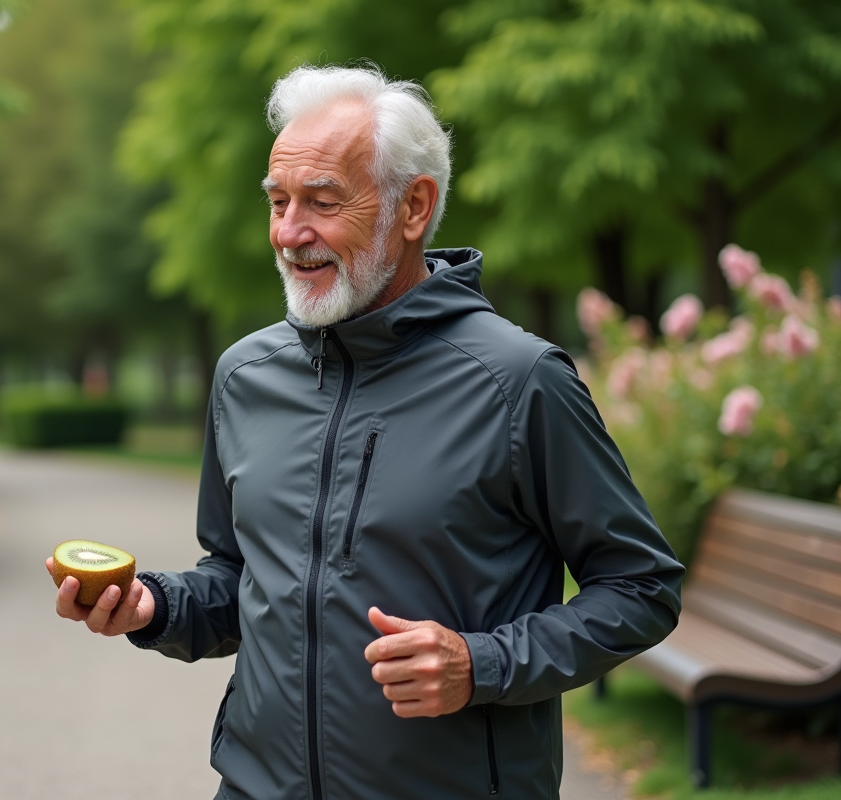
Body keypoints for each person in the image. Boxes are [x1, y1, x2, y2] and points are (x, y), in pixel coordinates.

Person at [48, 63, 684, 800]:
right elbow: (237, 578)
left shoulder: (518, 380)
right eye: (278, 201)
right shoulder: (245, 376)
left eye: (321, 201)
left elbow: (641, 586)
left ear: (412, 207)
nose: (289, 233)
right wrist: (154, 606)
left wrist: (485, 664)